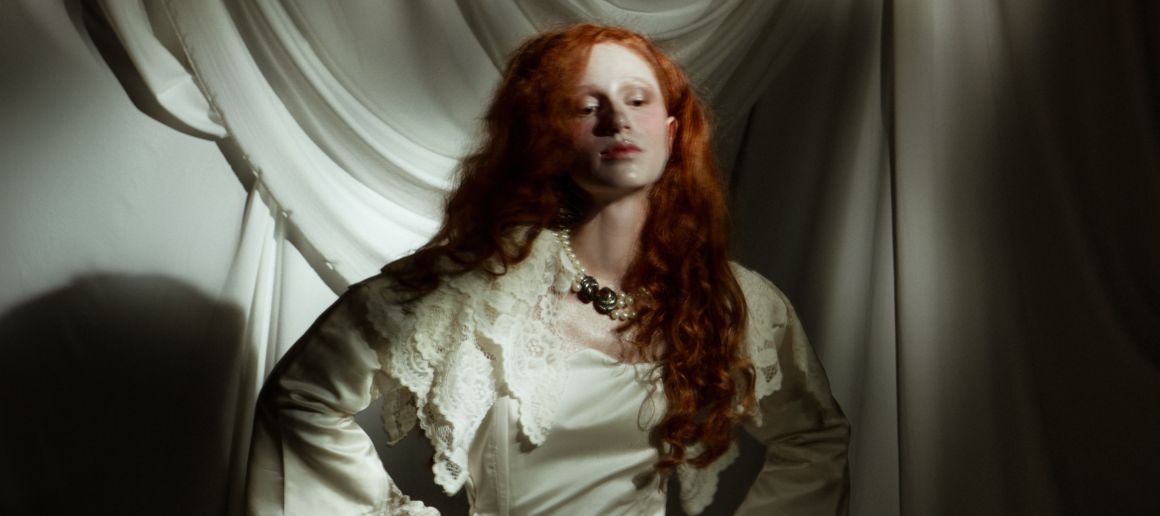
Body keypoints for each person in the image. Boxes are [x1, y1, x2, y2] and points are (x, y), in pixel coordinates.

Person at [244, 23, 849, 516]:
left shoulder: (731, 302)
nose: (617, 120)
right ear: (548, 137)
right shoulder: (478, 287)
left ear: (670, 132)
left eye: (637, 100)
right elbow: (303, 397)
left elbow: (814, 439)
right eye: (588, 107)